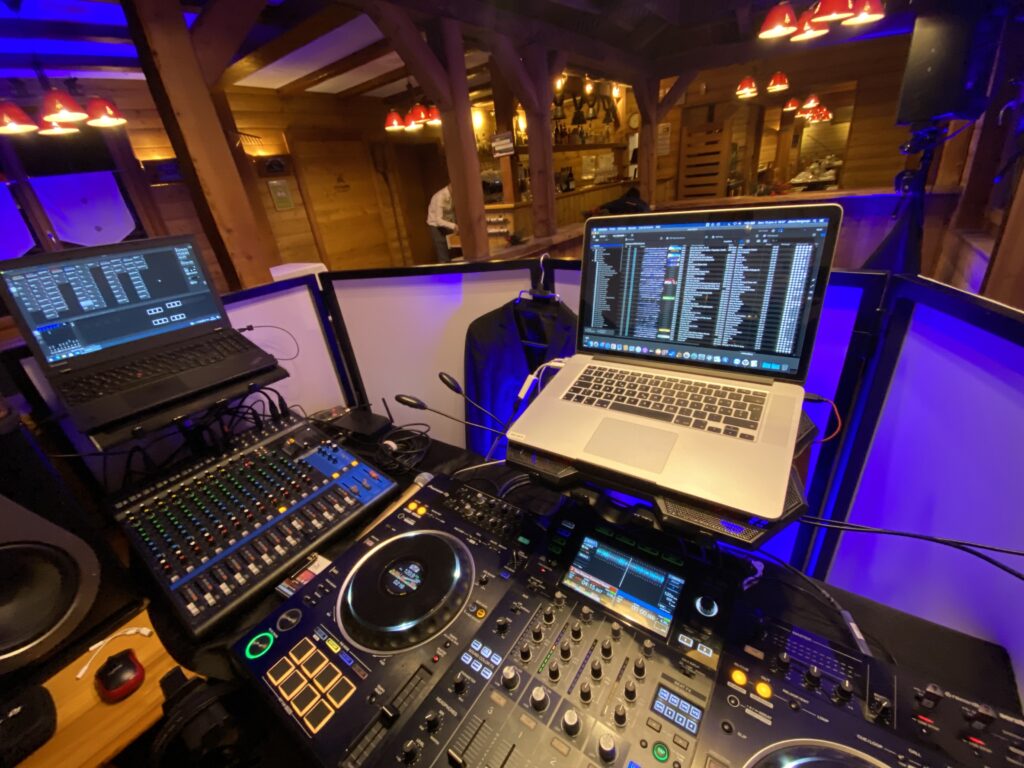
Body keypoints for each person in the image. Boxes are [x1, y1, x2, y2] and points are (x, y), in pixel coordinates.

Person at [426, 183, 458, 262]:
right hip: (436, 226)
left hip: (447, 224)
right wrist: (454, 226)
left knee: (453, 252)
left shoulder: (453, 195)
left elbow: (451, 213)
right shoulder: (440, 196)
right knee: (443, 255)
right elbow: (438, 220)